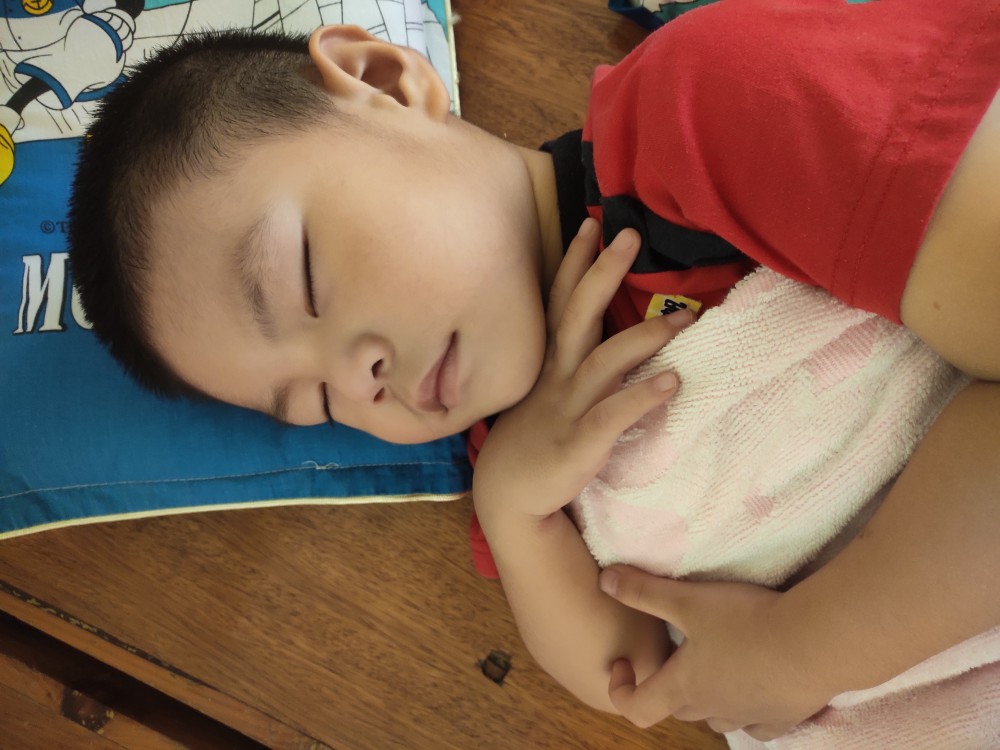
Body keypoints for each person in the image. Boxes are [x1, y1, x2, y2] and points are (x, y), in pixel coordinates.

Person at [66, 0, 1000, 743]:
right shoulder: (515, 452)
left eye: (306, 279)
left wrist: (808, 648)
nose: (361, 380)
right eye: (314, 402)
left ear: (386, 81)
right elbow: (640, 674)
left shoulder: (701, 110)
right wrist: (517, 518)